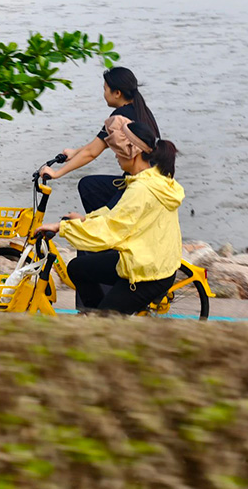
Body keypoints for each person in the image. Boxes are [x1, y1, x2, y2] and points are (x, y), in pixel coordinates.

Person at [37, 122, 183, 315]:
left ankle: (100, 322)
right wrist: (84, 220)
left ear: (133, 153)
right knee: (77, 268)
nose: (115, 155)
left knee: (104, 323)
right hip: (142, 257)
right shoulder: (152, 178)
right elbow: (116, 215)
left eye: (118, 151)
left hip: (147, 273)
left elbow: (109, 231)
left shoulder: (142, 189)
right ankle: (95, 315)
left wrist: (62, 228)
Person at [40, 67, 160, 214]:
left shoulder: (120, 117)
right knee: (90, 185)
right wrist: (75, 152)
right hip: (154, 180)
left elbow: (91, 153)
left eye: (105, 89)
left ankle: (106, 233)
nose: (103, 94)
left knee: (98, 209)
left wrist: (56, 173)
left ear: (117, 93)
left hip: (139, 185)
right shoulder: (142, 111)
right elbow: (101, 143)